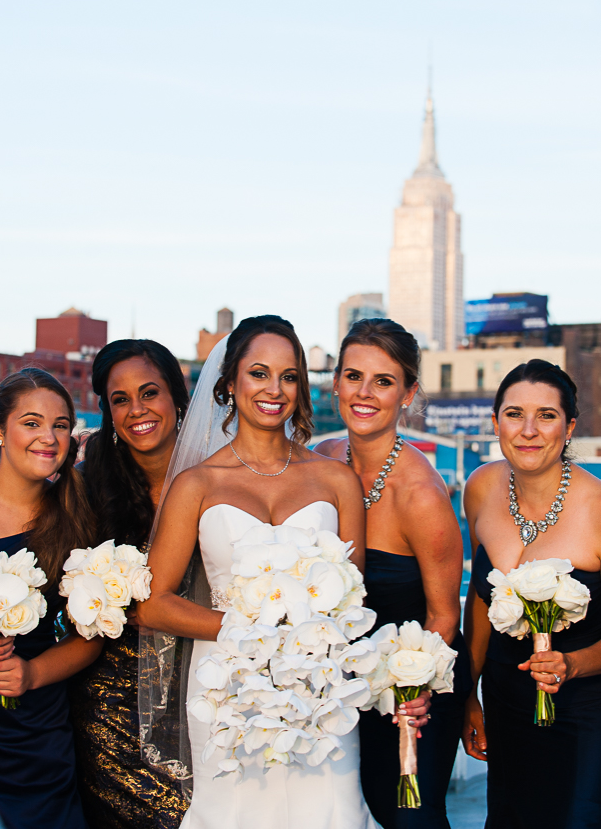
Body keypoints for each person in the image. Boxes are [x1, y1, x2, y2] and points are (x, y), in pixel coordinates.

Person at [136, 315, 377, 829]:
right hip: (229, 687)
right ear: (228, 384)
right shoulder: (196, 484)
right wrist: (247, 631)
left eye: (289, 376)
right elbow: (151, 603)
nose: (275, 389)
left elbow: (354, 597)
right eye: (259, 373)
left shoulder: (337, 480)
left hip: (320, 689)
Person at [460, 360, 601, 829]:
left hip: (593, 699)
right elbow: (480, 601)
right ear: (495, 421)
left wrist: (572, 664)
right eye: (513, 414)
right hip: (506, 693)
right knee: (513, 817)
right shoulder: (480, 488)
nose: (528, 430)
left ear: (569, 428)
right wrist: (469, 692)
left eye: (545, 415)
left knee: (583, 818)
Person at [313, 318, 467, 829]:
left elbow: (446, 614)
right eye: (353, 376)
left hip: (412, 688)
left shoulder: (422, 494)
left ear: (408, 393)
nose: (364, 393)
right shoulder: (320, 461)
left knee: (406, 814)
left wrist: (414, 686)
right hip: (338, 685)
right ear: (335, 382)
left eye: (384, 381)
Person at [0, 368, 101, 829]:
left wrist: (32, 673)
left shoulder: (78, 515)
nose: (49, 437)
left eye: (60, 425)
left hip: (36, 737)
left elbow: (92, 637)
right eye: (32, 423)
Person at [72, 340, 192, 829]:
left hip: (205, 694)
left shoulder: (222, 481)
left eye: (149, 393)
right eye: (120, 399)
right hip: (112, 710)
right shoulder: (84, 486)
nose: (137, 410)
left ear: (178, 399)